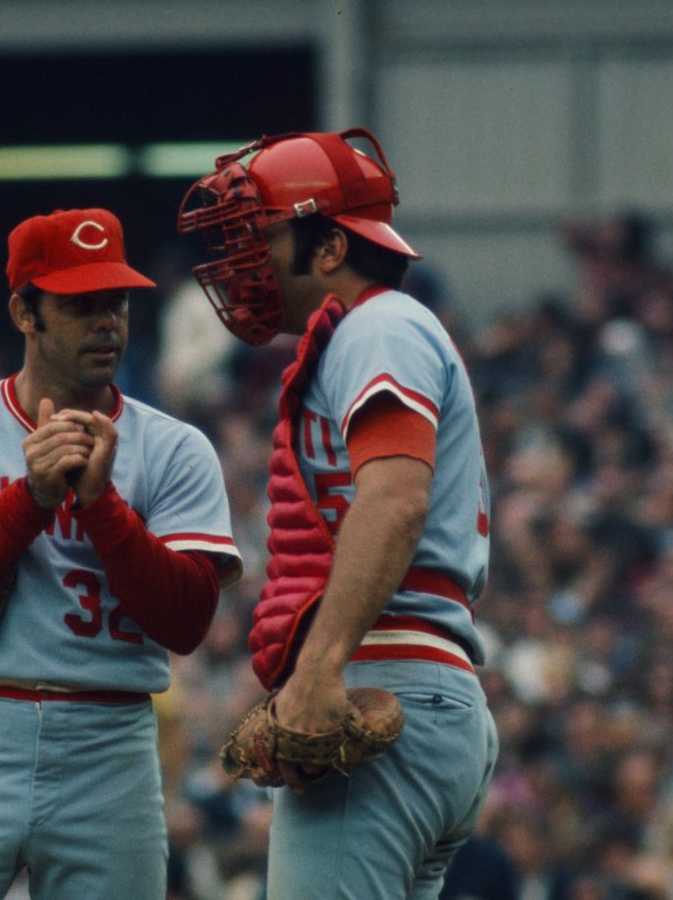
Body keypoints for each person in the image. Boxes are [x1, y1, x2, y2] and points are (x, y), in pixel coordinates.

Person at [0, 207, 242, 900]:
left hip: (111, 741)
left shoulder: (175, 447)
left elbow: (187, 622)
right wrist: (28, 501)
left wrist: (101, 509)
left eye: (116, 302)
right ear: (24, 312)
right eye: (80, 305)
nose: (106, 322)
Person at [178, 128, 498, 899]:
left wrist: (320, 668)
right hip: (422, 683)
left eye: (264, 233)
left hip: (385, 674)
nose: (245, 254)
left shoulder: (378, 324)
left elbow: (395, 499)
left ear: (329, 250)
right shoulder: (376, 330)